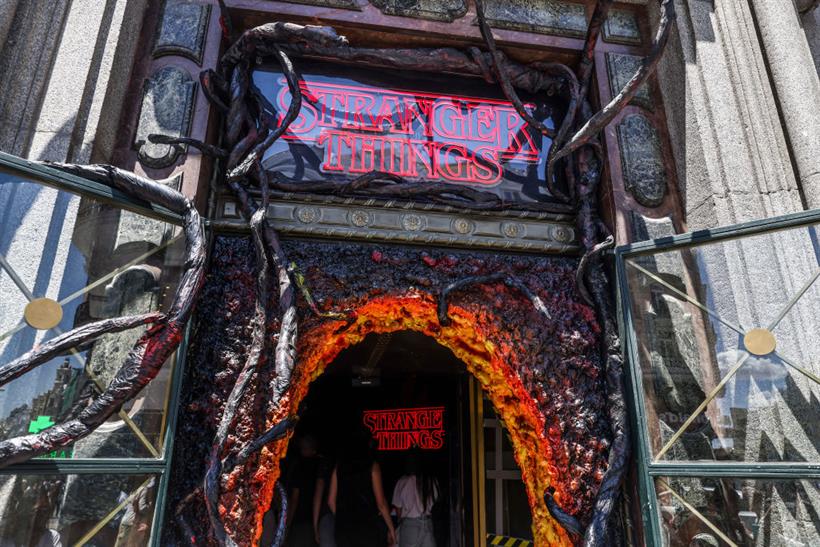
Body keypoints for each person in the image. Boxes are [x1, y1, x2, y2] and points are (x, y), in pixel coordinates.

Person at [327, 431, 396, 547]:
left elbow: (330, 501)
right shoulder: (373, 466)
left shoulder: (339, 467)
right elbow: (381, 504)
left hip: (344, 530)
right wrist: (391, 529)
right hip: (366, 528)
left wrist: (343, 518)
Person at [391, 451, 438, 547]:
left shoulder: (403, 481)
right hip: (427, 523)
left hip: (410, 524)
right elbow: (435, 503)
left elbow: (398, 510)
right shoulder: (431, 480)